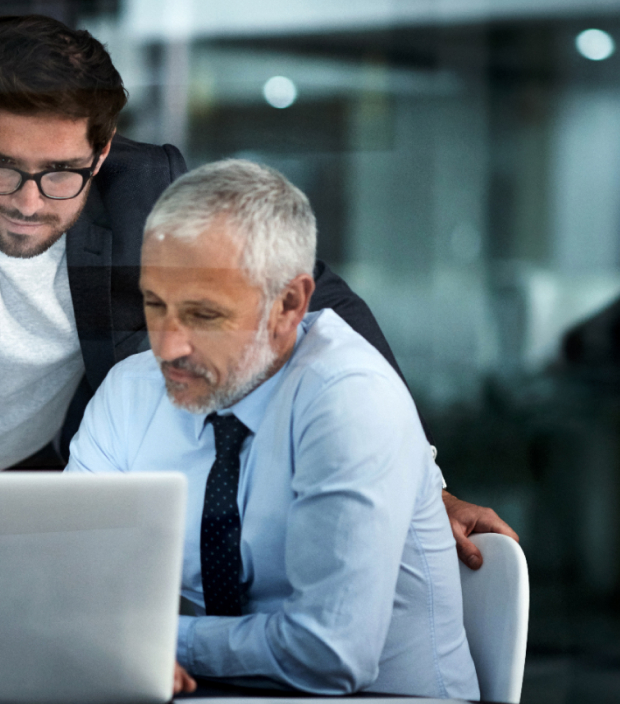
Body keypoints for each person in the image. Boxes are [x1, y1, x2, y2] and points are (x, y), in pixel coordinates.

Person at [0, 14, 516, 582]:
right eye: (0, 167)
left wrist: (427, 487)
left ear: (102, 152)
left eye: (61, 173)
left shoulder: (147, 188)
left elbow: (317, 302)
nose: (28, 201)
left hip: (18, 496)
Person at [66, 159, 476, 698]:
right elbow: (70, 588)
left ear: (289, 305)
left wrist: (154, 640)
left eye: (204, 315)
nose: (167, 346)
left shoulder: (349, 397)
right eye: (154, 304)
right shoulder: (130, 391)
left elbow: (329, 655)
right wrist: (99, 635)